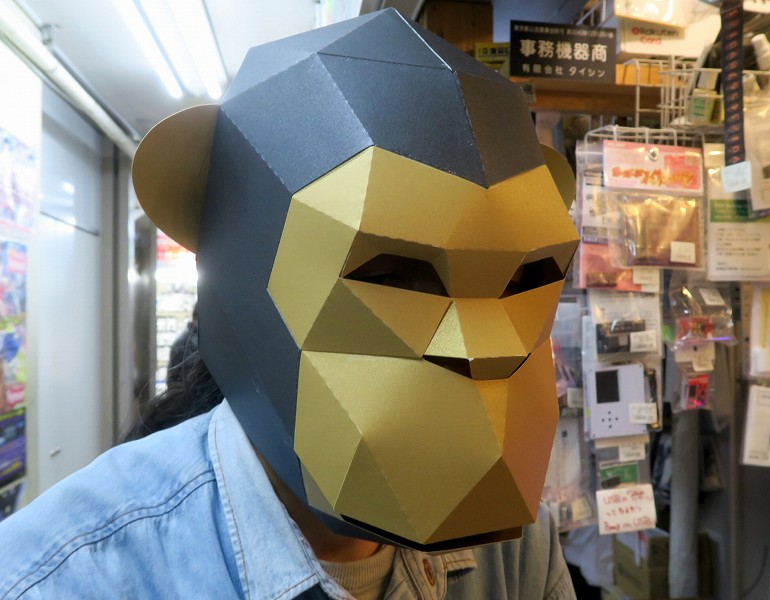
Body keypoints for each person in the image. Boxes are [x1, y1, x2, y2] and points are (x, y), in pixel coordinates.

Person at [0, 9, 579, 599]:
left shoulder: (517, 547)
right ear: (236, 270)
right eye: (394, 275)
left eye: (526, 277)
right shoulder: (59, 578)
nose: (484, 352)